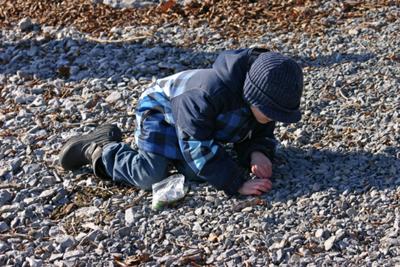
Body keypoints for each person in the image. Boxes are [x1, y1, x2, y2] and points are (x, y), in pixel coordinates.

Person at [59, 48, 303, 196]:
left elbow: (259, 131)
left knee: (197, 173)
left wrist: (258, 152)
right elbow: (196, 143)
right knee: (151, 174)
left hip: (195, 124)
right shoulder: (208, 94)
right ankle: (100, 148)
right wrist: (236, 183)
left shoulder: (263, 101)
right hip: (160, 111)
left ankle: (175, 154)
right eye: (270, 112)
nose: (273, 118)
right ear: (251, 94)